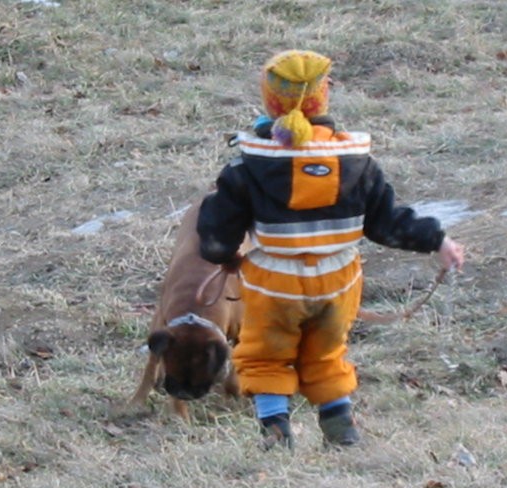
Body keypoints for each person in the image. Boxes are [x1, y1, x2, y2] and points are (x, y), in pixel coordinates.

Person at [196, 49, 464, 450]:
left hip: (275, 283)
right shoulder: (355, 163)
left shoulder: (248, 166)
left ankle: (275, 428)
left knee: (267, 355)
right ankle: (341, 427)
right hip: (339, 282)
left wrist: (222, 256)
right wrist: (437, 240)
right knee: (327, 352)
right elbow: (387, 223)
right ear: (323, 97)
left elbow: (217, 235)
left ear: (270, 101)